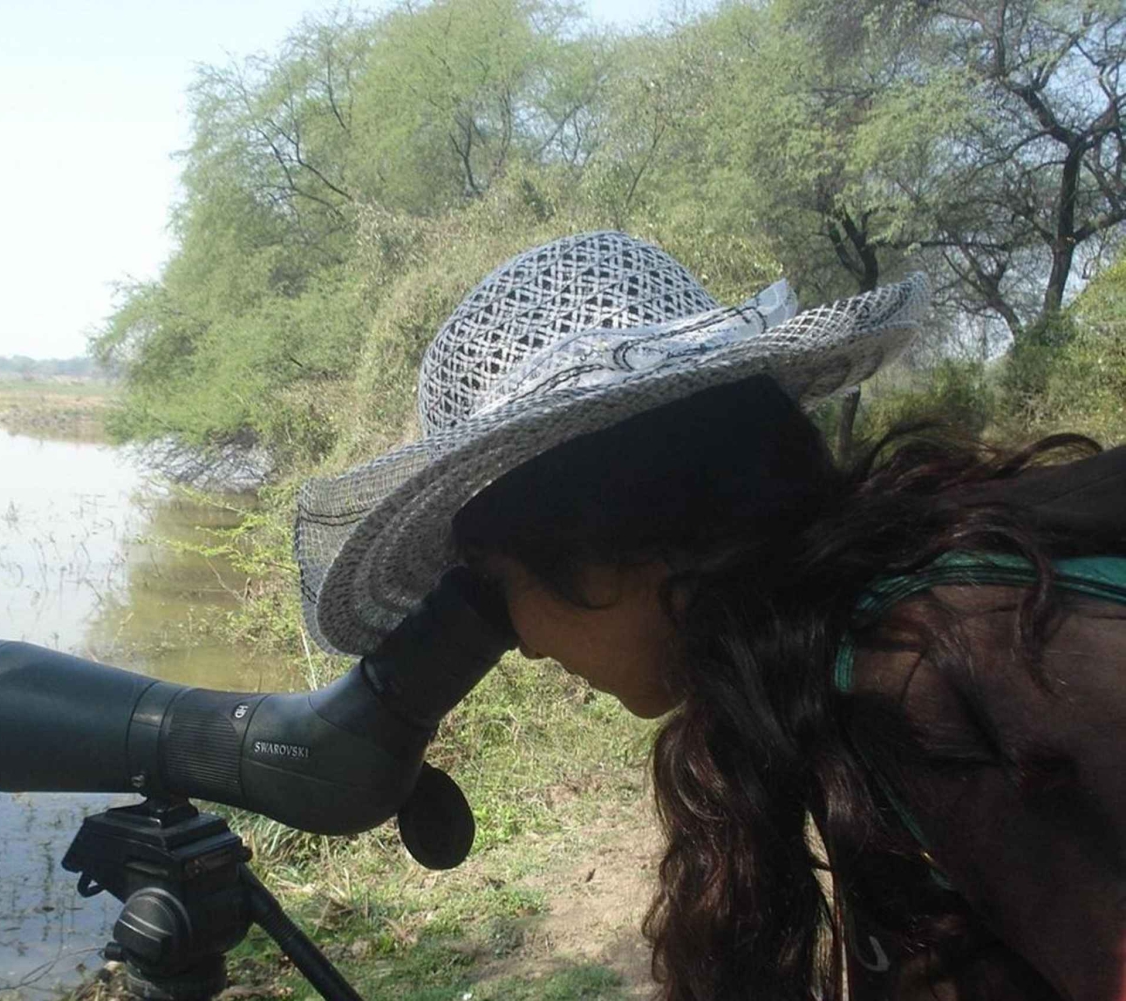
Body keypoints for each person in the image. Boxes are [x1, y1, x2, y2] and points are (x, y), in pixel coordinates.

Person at [293, 232, 1126, 1000]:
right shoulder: (833, 659)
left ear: (616, 533)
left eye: (499, 583)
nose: (529, 647)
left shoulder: (929, 668)